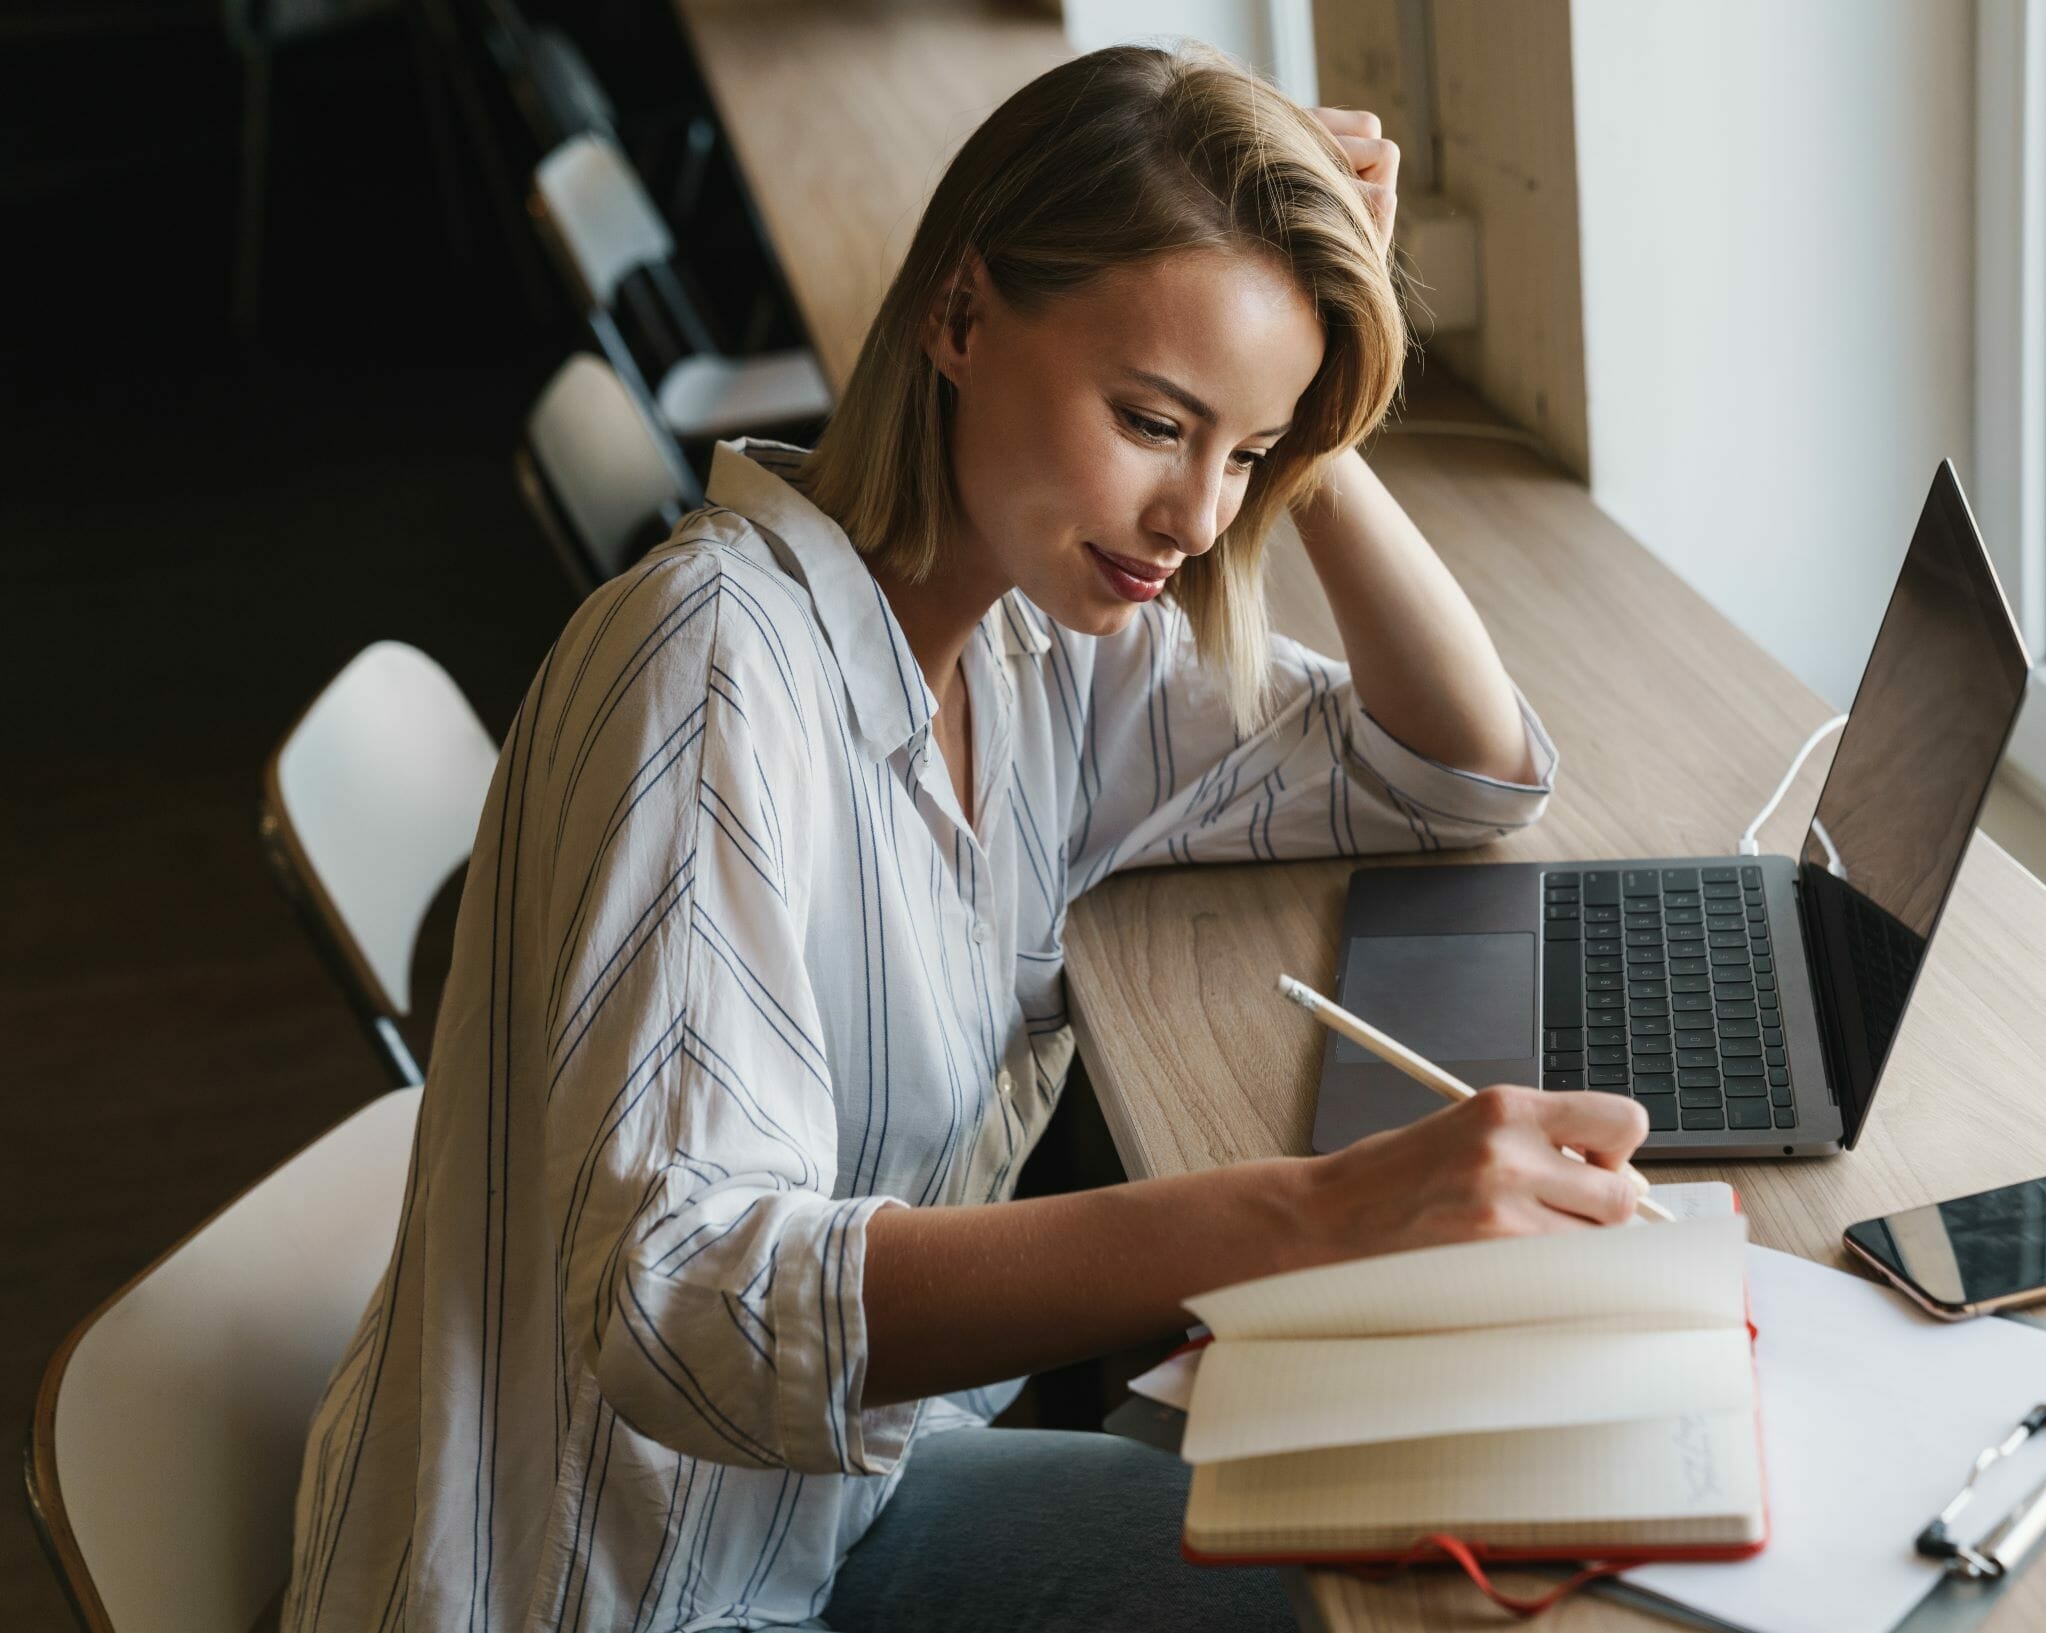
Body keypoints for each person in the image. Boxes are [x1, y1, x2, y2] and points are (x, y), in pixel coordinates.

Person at [282, 42, 1652, 1633]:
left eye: (1247, 457)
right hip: (624, 1588)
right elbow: (680, 1309)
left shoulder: (1035, 645)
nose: (1201, 520)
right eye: (1154, 420)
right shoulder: (713, 673)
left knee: (1416, 1538)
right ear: (957, 315)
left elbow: (1453, 769)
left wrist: (1305, 396)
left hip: (820, 1508)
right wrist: (1319, 1212)